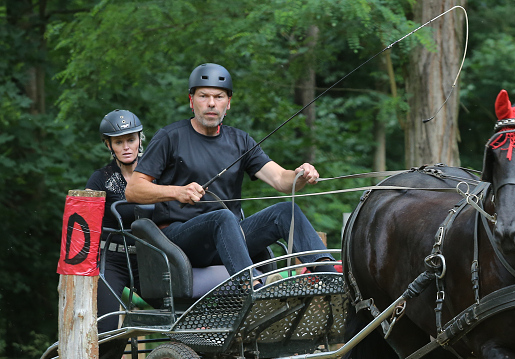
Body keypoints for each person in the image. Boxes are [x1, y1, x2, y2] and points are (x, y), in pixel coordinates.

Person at [125, 62, 335, 283]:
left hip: (230, 239)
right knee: (222, 217)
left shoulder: (240, 140)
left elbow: (282, 181)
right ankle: (253, 285)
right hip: (178, 241)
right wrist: (177, 192)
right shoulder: (170, 137)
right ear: (191, 101)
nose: (211, 104)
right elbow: (134, 190)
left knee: (285, 211)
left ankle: (331, 278)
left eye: (219, 97)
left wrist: (300, 174)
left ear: (229, 103)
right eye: (203, 96)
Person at [87, 109, 145, 333]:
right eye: (119, 142)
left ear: (139, 139)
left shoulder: (156, 174)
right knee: (108, 326)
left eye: (131, 139)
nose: (127, 147)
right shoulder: (100, 178)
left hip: (148, 256)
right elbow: (84, 224)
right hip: (111, 259)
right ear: (109, 145)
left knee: (178, 313)